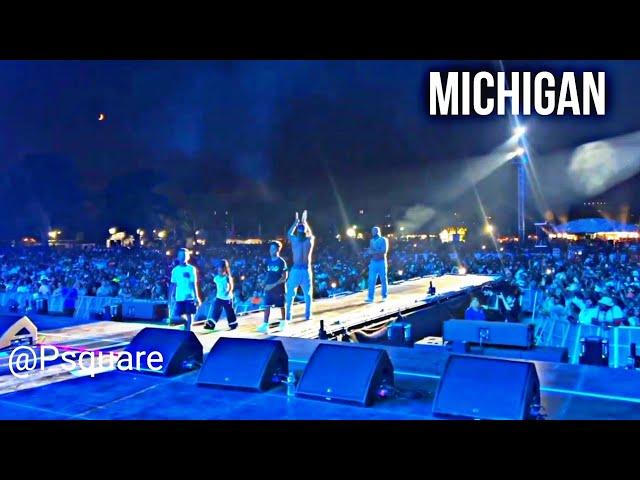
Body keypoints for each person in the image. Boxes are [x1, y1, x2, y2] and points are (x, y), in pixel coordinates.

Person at [284, 210, 315, 329]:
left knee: (292, 294)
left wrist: (296, 223)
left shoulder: (296, 240)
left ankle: (288, 316)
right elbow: (310, 234)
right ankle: (307, 315)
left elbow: (289, 233)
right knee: (306, 294)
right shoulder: (308, 241)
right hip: (304, 270)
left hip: (297, 270)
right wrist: (304, 223)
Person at [256, 241, 288, 334]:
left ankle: (283, 322)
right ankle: (265, 325)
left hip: (279, 288)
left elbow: (284, 277)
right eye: (270, 249)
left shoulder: (281, 262)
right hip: (269, 287)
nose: (271, 251)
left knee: (281, 305)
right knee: (267, 305)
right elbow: (268, 273)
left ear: (278, 249)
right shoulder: (268, 261)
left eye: (273, 249)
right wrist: (264, 281)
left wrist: (273, 285)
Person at [169, 248, 201, 331]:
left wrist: (196, 297)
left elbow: (193, 283)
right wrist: (170, 296)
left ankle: (189, 331)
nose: (182, 257)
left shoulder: (191, 269)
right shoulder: (175, 270)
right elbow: (173, 284)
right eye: (181, 255)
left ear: (188, 257)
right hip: (179, 296)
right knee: (178, 316)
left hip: (189, 296)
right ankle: (186, 324)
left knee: (189, 314)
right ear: (178, 257)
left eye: (184, 255)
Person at [205, 259, 238, 331]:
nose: (220, 270)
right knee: (216, 310)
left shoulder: (227, 278)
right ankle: (211, 324)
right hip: (219, 297)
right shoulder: (216, 278)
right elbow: (214, 285)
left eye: (222, 269)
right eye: (219, 268)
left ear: (225, 269)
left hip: (227, 298)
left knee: (229, 311)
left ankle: (233, 323)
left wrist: (228, 291)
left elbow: (231, 286)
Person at [365, 226, 389, 303]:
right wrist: (376, 251)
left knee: (383, 279)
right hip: (373, 262)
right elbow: (370, 251)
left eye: (374, 231)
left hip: (382, 262)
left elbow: (384, 251)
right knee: (371, 280)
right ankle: (370, 297)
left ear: (378, 231)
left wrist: (374, 251)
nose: (373, 232)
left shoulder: (384, 240)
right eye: (372, 231)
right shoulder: (371, 241)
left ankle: (384, 296)